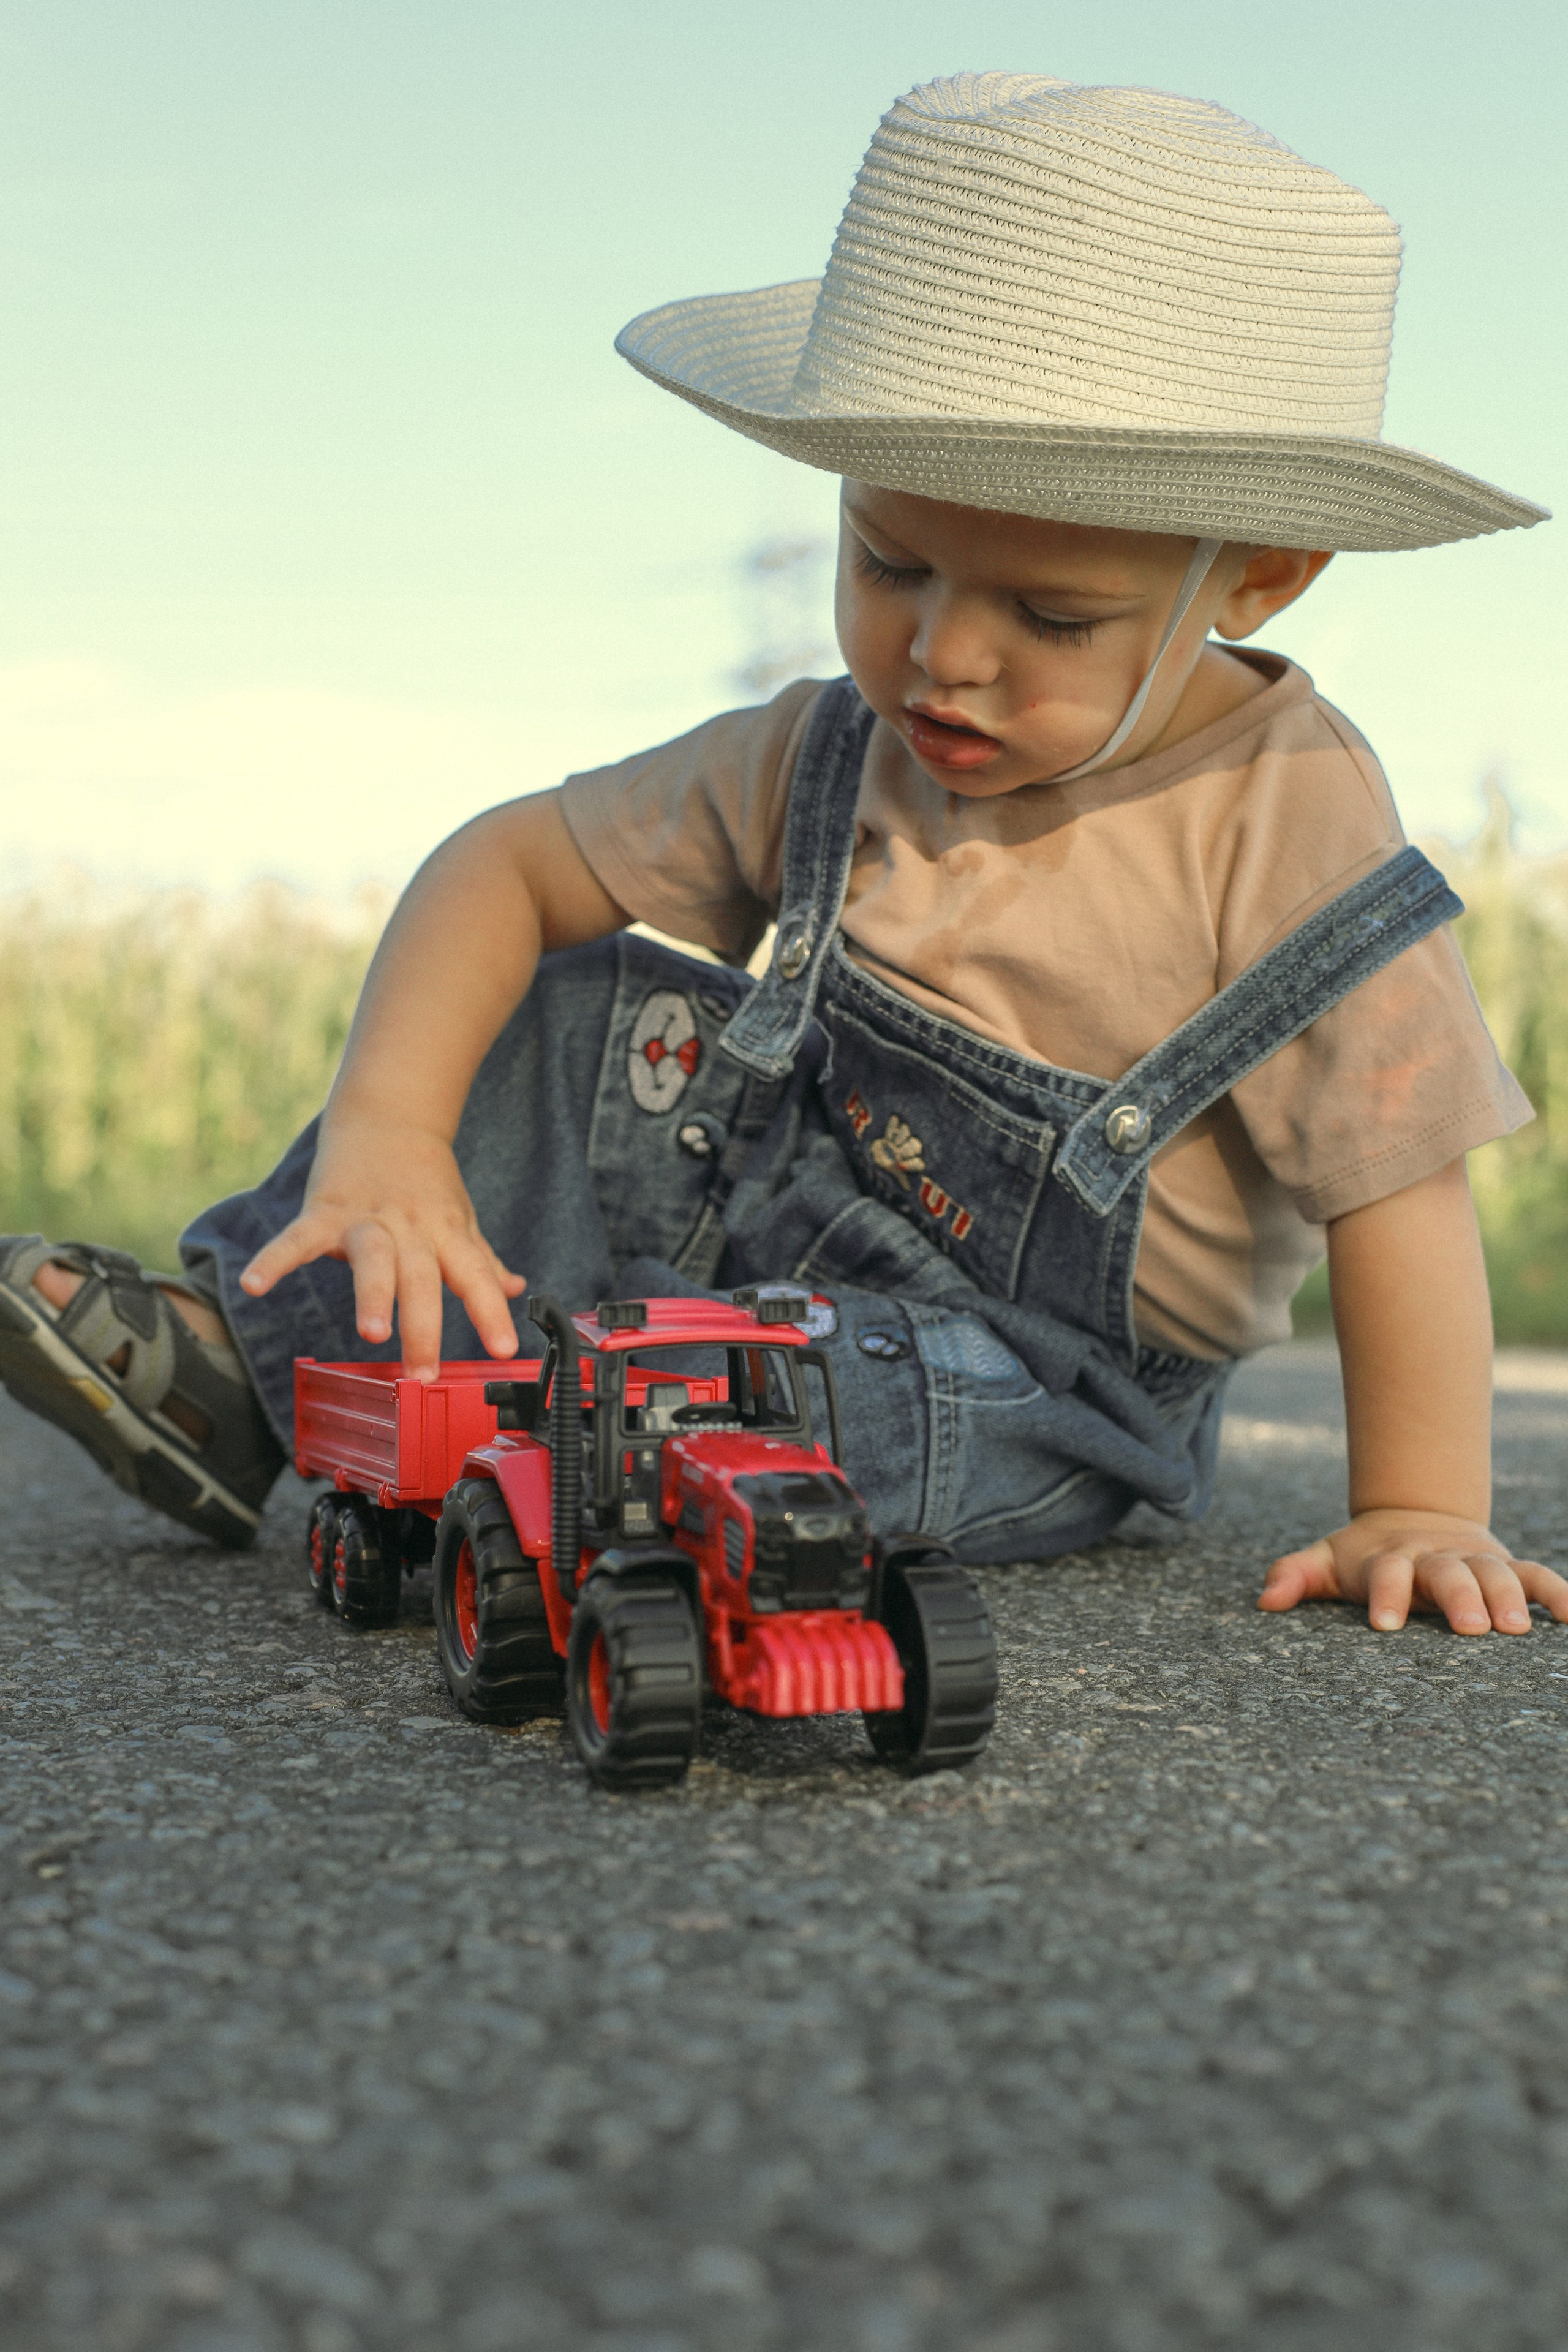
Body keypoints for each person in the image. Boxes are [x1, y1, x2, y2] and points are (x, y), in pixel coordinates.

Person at [2, 73, 1562, 1640]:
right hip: (738, 1229)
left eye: (1049, 615)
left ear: (1260, 578)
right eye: (890, 561)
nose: (942, 653)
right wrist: (393, 1130)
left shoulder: (1288, 820)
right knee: (579, 1002)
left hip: (1034, 1375)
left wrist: (1418, 1507)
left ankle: (580, 1463)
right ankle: (254, 1370)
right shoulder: (831, 750)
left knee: (802, 1401)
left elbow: (1397, 1185)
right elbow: (505, 864)